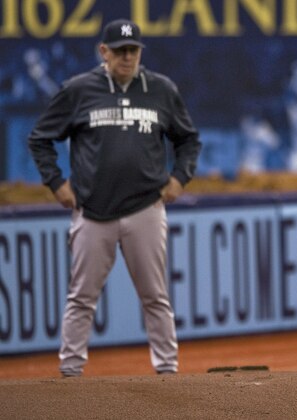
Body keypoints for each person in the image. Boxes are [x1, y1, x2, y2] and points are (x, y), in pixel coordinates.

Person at [28, 19, 201, 377]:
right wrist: (56, 182)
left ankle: (167, 372)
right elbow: (40, 138)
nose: (127, 57)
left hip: (145, 208)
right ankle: (70, 373)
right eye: (120, 51)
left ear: (140, 52)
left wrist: (180, 178)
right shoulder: (78, 90)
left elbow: (188, 139)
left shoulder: (160, 89)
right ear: (103, 51)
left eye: (133, 50)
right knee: (81, 298)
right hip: (93, 211)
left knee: (155, 296)